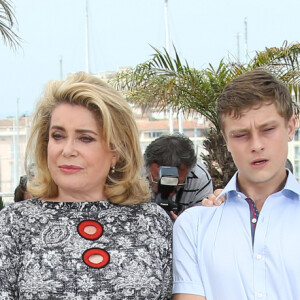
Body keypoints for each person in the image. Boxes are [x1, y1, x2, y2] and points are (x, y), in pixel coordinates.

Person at [0, 72, 173, 299]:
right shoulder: (13, 223)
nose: (68, 150)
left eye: (85, 138)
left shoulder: (152, 221)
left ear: (115, 151)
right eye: (58, 136)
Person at [172, 69, 300, 299]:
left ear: (290, 127)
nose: (257, 145)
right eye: (241, 135)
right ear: (225, 139)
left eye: (268, 129)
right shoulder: (194, 226)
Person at [144, 133, 213, 220]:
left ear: (189, 171)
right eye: (158, 181)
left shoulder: (199, 177)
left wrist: (183, 226)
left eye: (176, 182)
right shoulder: (134, 175)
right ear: (147, 168)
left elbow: (202, 222)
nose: (168, 189)